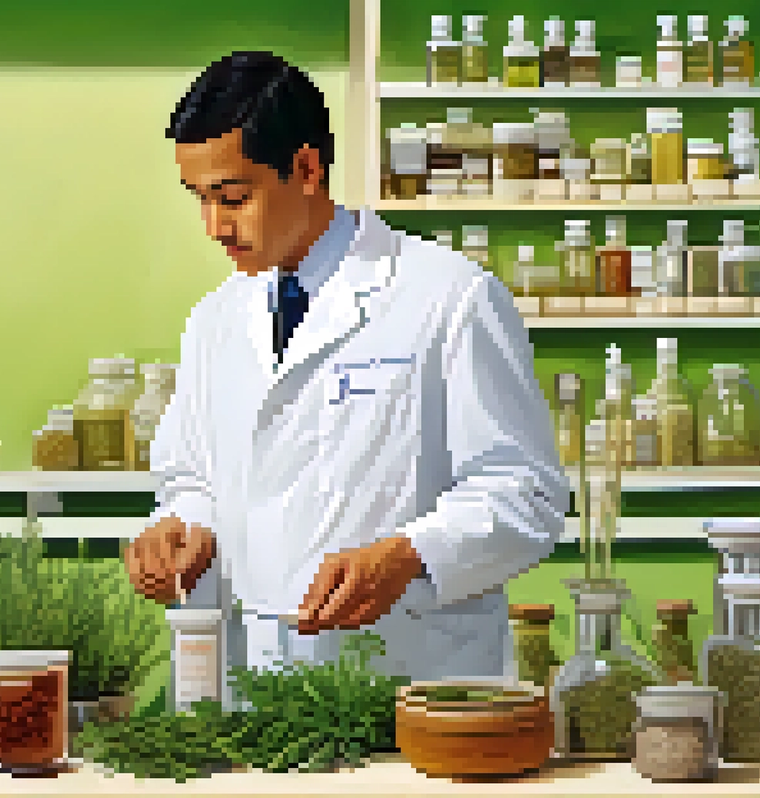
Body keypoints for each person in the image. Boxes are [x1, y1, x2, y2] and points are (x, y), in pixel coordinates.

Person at [124, 51, 568, 682]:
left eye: (232, 197)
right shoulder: (214, 321)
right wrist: (177, 528)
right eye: (199, 199)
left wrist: (409, 555)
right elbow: (192, 476)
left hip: (409, 675)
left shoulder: (451, 298)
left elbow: (524, 493)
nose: (213, 226)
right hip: (252, 676)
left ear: (306, 168)